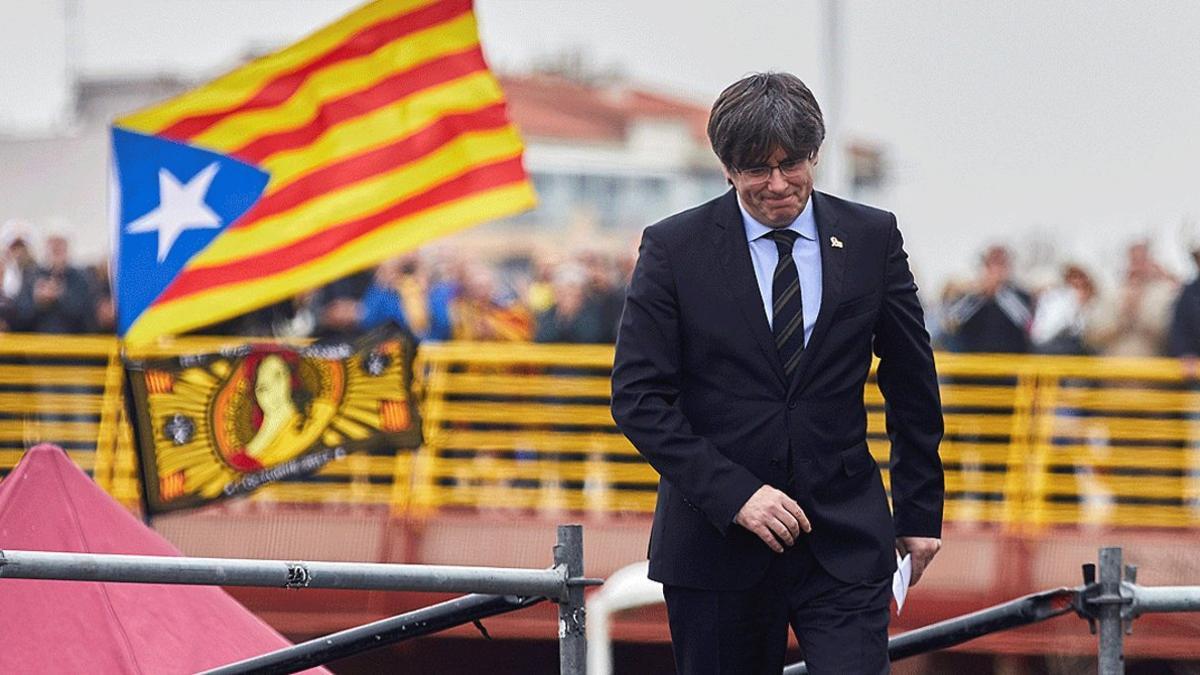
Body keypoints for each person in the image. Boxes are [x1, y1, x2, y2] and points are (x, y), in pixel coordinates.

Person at [611, 72, 944, 674]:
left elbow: (911, 381)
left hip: (844, 537)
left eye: (791, 164)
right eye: (754, 169)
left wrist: (920, 513)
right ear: (726, 167)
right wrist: (735, 494)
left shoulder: (872, 237)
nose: (777, 184)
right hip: (715, 545)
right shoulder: (672, 249)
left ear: (815, 153)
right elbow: (638, 400)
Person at [941, 245, 1034, 353]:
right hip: (972, 361)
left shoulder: (1021, 295)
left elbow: (1027, 322)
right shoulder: (969, 296)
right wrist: (979, 296)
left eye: (1001, 265)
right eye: (992, 265)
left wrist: (1000, 292)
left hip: (1012, 361)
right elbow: (952, 320)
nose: (996, 271)